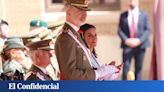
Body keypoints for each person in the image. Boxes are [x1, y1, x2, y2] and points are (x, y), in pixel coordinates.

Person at [55, 0, 120, 80]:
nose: (84, 14)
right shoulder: (66, 37)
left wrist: (104, 74)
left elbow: (84, 67)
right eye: (80, 10)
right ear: (68, 13)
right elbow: (70, 74)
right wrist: (98, 73)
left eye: (85, 11)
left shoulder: (77, 35)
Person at [118, 0, 151, 80]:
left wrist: (139, 40)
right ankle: (125, 88)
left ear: (138, 2)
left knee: (138, 69)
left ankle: (138, 88)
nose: (132, 2)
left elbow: (147, 30)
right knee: (126, 68)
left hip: (140, 45)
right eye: (130, 0)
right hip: (127, 46)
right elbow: (120, 30)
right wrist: (126, 40)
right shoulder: (123, 15)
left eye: (134, 0)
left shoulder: (144, 14)